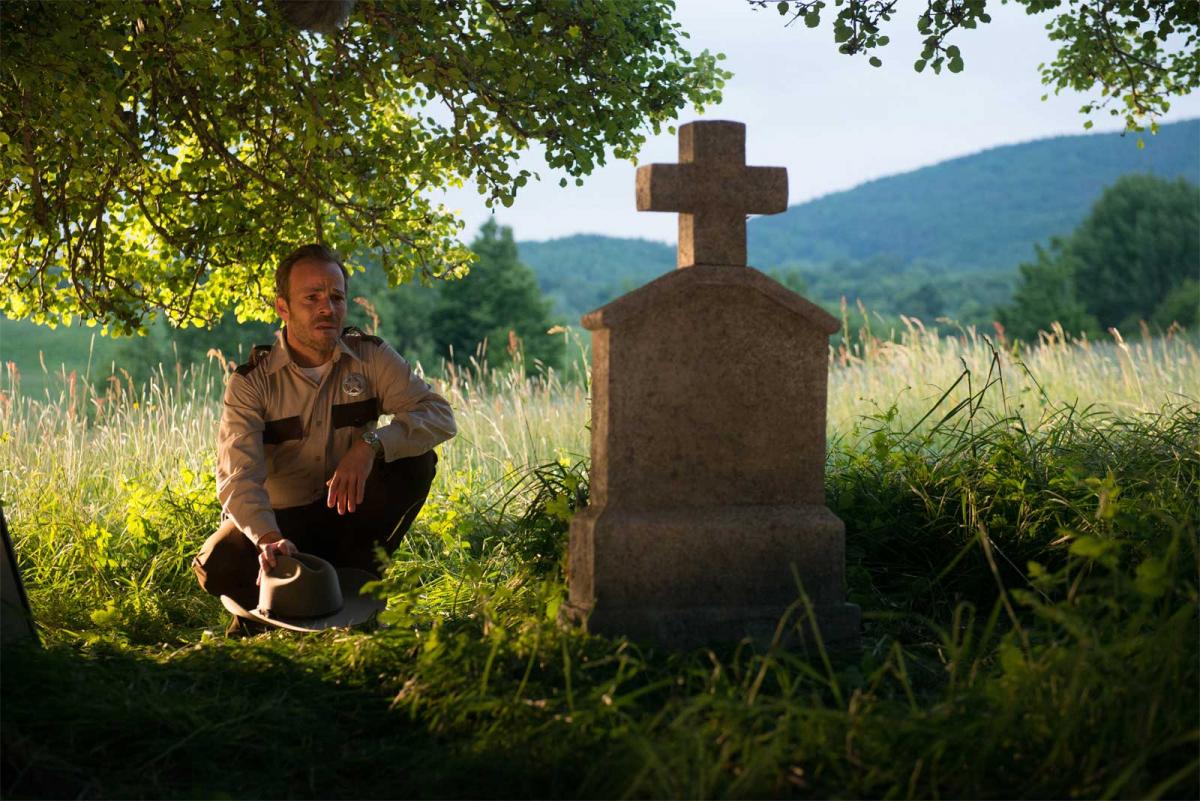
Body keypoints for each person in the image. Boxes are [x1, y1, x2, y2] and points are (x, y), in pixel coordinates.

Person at [192, 244, 456, 634]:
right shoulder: (252, 382)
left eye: (336, 297)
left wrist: (371, 445)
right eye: (312, 297)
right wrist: (268, 538)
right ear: (283, 308)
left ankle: (355, 589)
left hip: (343, 512)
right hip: (276, 523)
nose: (327, 308)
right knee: (216, 565)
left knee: (415, 462)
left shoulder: (371, 357)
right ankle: (274, 609)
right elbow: (238, 477)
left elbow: (438, 415)